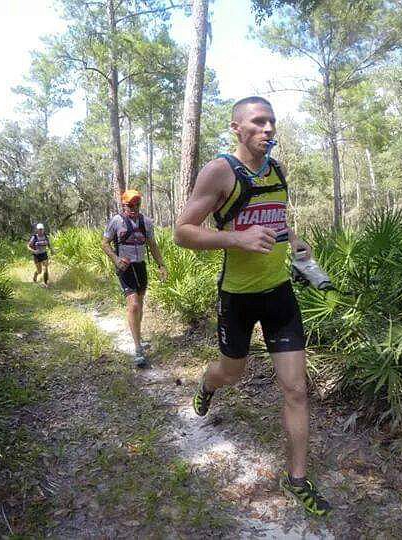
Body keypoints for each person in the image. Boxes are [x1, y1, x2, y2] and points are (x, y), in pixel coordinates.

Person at [173, 96, 331, 517]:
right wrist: (236, 239)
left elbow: (275, 219)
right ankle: (207, 387)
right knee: (232, 372)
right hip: (237, 297)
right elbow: (183, 232)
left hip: (279, 293)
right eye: (258, 122)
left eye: (272, 122)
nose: (268, 129)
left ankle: (297, 479)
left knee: (296, 389)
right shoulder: (220, 171)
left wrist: (294, 242)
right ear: (237, 128)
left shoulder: (277, 171)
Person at [101, 190, 167, 368]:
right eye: (130, 205)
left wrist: (161, 265)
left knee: (141, 304)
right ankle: (138, 349)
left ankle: (138, 336)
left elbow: (152, 245)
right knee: (134, 305)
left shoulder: (146, 222)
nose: (134, 208)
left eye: (136, 205)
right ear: (123, 205)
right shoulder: (116, 221)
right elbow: (104, 243)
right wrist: (116, 259)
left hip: (141, 267)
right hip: (125, 267)